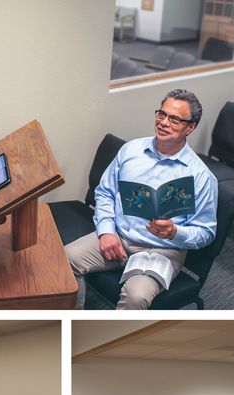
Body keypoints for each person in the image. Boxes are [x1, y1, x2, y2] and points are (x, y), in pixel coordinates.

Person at [66, 89, 218, 309]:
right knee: (64, 261)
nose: (164, 123)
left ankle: (110, 343)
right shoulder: (131, 150)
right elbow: (105, 192)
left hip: (162, 249)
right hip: (119, 235)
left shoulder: (201, 177)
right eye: (161, 114)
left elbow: (206, 233)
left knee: (136, 296)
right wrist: (107, 231)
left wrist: (175, 232)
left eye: (174, 119)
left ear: (190, 127)